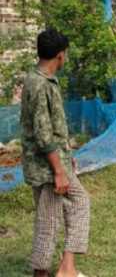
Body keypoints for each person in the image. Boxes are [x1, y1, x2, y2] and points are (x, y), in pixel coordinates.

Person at [21, 29, 90, 277]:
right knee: (56, 216)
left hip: (47, 161)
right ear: (60, 56)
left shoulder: (35, 77)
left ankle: (62, 267)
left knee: (50, 216)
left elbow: (49, 128)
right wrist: (59, 170)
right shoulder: (41, 84)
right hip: (47, 168)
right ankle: (60, 270)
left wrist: (64, 152)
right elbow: (42, 133)